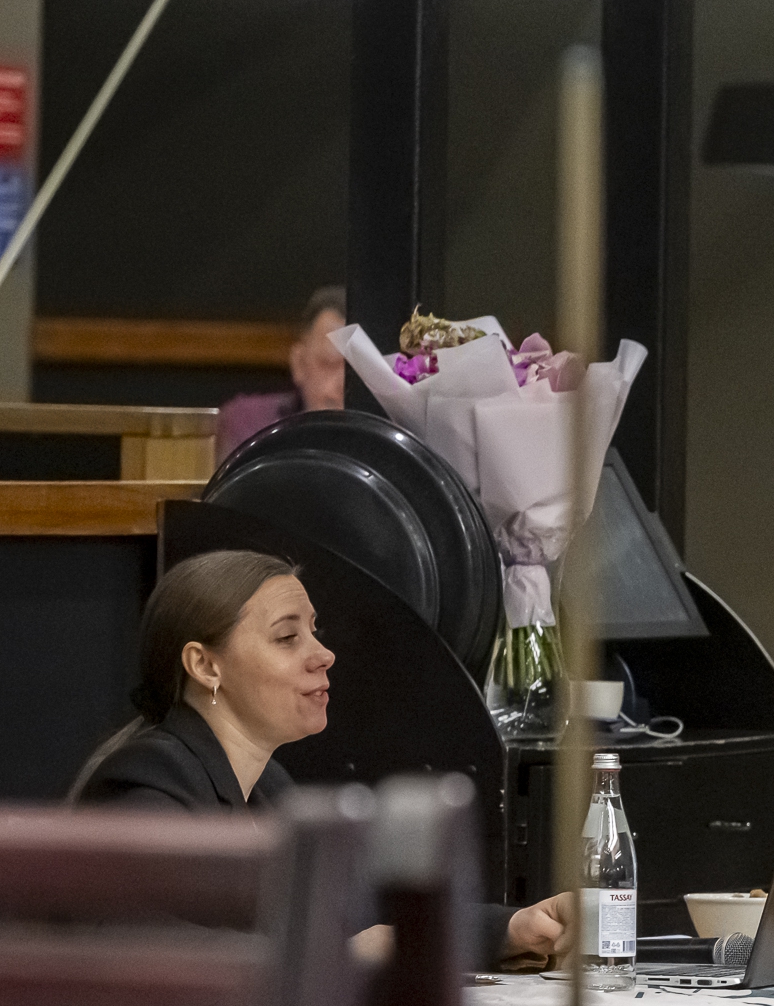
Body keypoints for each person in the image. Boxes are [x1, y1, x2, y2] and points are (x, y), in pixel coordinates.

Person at [73, 549, 574, 968]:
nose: (324, 654)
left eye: (314, 632)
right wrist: (332, 956)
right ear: (205, 665)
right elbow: (130, 941)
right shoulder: (150, 779)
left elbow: (366, 917)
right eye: (287, 637)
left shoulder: (270, 788)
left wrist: (512, 928)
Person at [217, 286, 347, 458]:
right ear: (299, 363)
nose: (344, 383)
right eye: (329, 363)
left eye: (359, 371)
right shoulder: (249, 422)